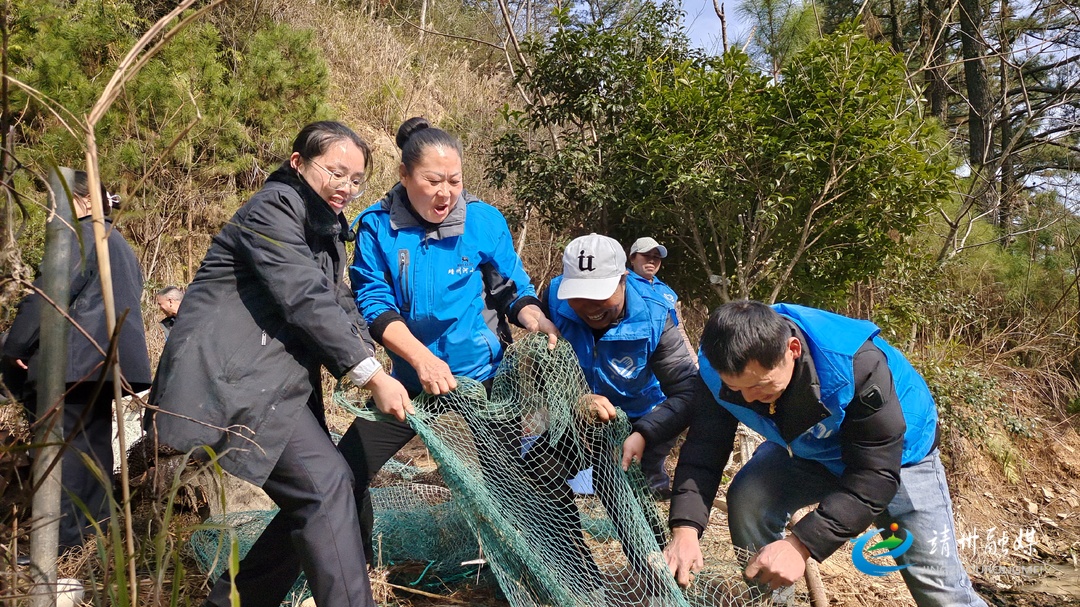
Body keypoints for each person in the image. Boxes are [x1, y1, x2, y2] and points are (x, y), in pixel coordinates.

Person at [147, 121, 411, 607]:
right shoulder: (272, 210)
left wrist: (384, 359)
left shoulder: (325, 231)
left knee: (321, 494)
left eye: (356, 180)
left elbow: (340, 302)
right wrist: (369, 374)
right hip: (235, 383)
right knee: (326, 487)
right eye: (335, 172)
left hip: (274, 386)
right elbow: (304, 298)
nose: (345, 187)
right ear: (297, 163)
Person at [631, 300, 986, 606]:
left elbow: (875, 475)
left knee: (939, 590)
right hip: (807, 446)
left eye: (760, 386)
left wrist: (801, 544)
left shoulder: (855, 366)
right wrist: (685, 528)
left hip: (899, 458)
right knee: (750, 497)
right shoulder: (719, 369)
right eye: (737, 388)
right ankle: (772, 596)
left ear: (793, 350)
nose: (749, 398)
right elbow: (705, 449)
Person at [339, 116, 559, 561]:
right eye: (433, 180)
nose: (446, 193)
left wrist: (535, 316)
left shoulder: (481, 220)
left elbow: (509, 287)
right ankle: (355, 570)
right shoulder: (377, 227)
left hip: (485, 378)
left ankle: (540, 569)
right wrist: (420, 360)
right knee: (344, 472)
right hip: (412, 378)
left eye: (455, 181)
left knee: (512, 479)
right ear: (404, 176)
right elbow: (375, 303)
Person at [2, 170, 152, 552]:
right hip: (107, 363)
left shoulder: (80, 236)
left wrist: (15, 347)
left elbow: (47, 298)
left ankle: (59, 545)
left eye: (54, 205)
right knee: (93, 450)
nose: (50, 215)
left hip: (72, 363)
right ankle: (93, 540)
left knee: (62, 453)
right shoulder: (118, 242)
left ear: (83, 201)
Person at [546, 234, 699, 500]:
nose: (589, 307)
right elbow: (541, 366)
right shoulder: (553, 299)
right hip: (578, 414)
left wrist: (645, 431)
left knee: (637, 494)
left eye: (599, 295)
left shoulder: (655, 314)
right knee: (541, 471)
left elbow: (688, 391)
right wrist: (574, 397)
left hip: (643, 417)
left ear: (624, 279)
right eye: (578, 295)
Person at [628, 236, 697, 365]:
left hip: (667, 362)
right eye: (646, 255)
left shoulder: (668, 293)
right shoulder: (623, 285)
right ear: (632, 258)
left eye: (656, 257)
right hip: (632, 362)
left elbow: (679, 330)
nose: (651, 260)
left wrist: (693, 361)